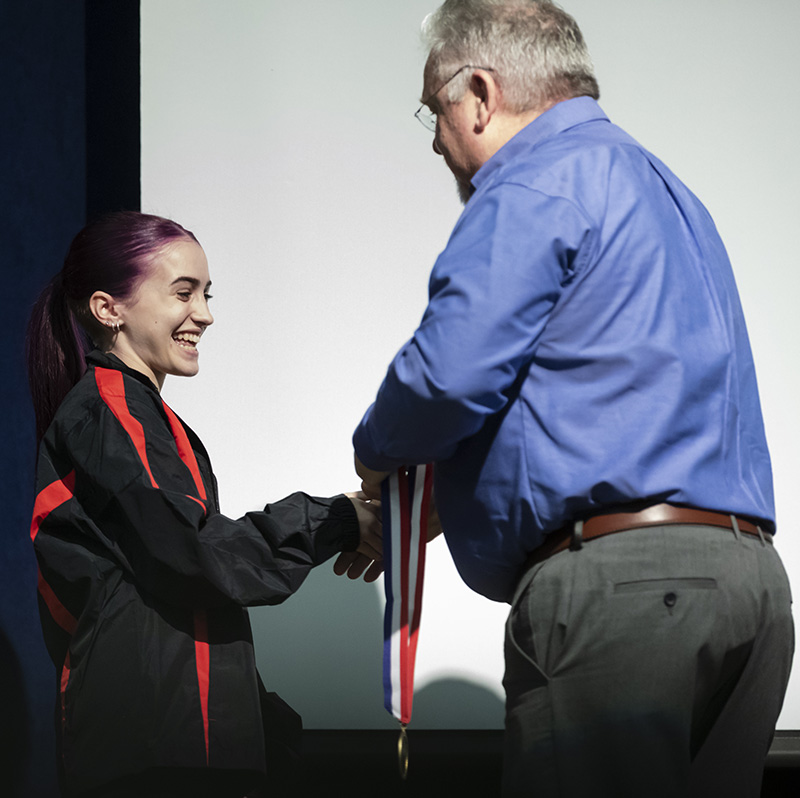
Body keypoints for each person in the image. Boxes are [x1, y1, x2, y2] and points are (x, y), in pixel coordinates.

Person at [348, 1, 794, 796]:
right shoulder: (667, 191)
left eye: (436, 108)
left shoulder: (535, 182)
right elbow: (593, 399)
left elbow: (448, 377)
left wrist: (376, 454)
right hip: (748, 589)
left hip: (624, 597)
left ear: (479, 92)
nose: (436, 139)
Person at [26, 211, 382, 798]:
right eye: (183, 293)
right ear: (107, 308)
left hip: (180, 747)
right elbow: (197, 554)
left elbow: (172, 583)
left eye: (207, 294)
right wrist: (340, 518)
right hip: (153, 757)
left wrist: (258, 716)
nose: (206, 315)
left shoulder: (142, 416)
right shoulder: (109, 411)